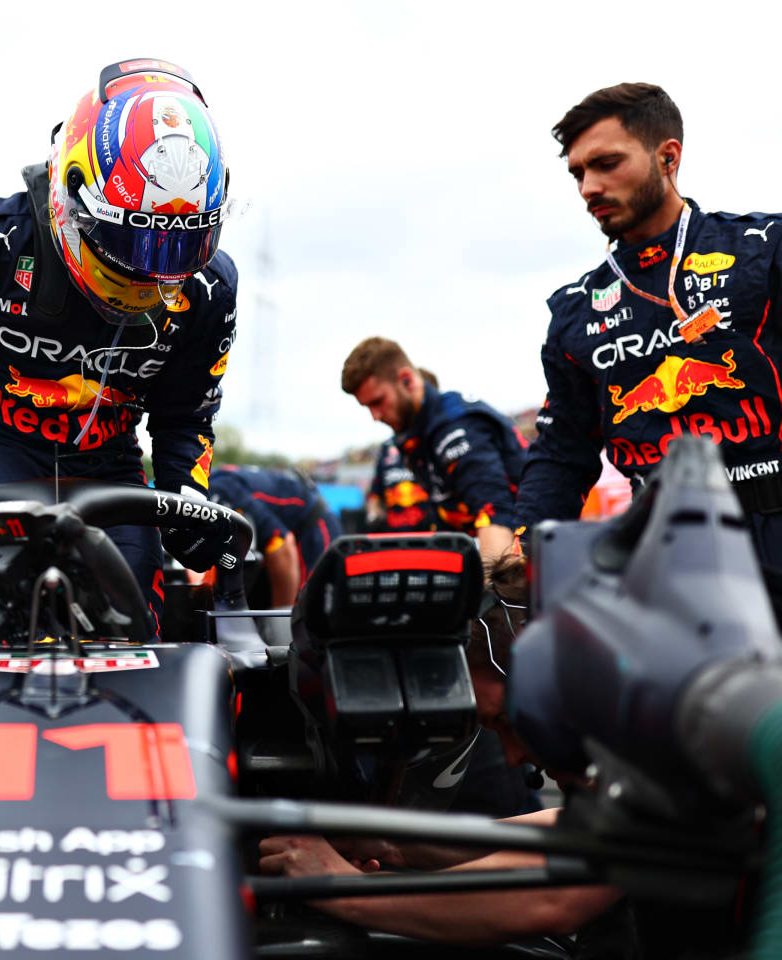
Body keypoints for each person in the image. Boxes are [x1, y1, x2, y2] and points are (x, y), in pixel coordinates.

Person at [0, 59, 239, 614]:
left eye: (176, 246)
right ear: (74, 194)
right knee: (31, 588)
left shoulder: (209, 288)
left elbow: (186, 415)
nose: (154, 269)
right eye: (136, 242)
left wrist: (189, 492)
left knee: (133, 607)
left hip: (112, 464)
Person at [260, 557, 621, 944]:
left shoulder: (675, 727)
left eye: (504, 720)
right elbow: (575, 829)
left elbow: (553, 894)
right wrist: (397, 846)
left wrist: (342, 887)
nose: (514, 757)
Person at [515, 83, 782, 564]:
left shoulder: (763, 249)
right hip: (661, 562)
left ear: (668, 157)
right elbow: (563, 450)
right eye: (578, 173)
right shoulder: (575, 309)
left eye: (606, 164)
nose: (588, 187)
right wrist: (524, 542)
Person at [342, 338, 524, 569]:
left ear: (406, 379)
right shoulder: (416, 435)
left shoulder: (453, 429)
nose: (375, 416)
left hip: (534, 548)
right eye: (367, 406)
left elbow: (494, 514)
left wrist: (489, 596)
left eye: (378, 402)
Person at [206, 464, 340, 608]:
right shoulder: (210, 484)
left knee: (310, 613)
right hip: (291, 526)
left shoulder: (222, 492)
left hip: (314, 527)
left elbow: (282, 548)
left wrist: (280, 625)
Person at [366, 368, 437, 533]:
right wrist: (373, 518)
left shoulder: (437, 441)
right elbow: (375, 494)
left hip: (434, 539)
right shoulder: (387, 448)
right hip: (397, 539)